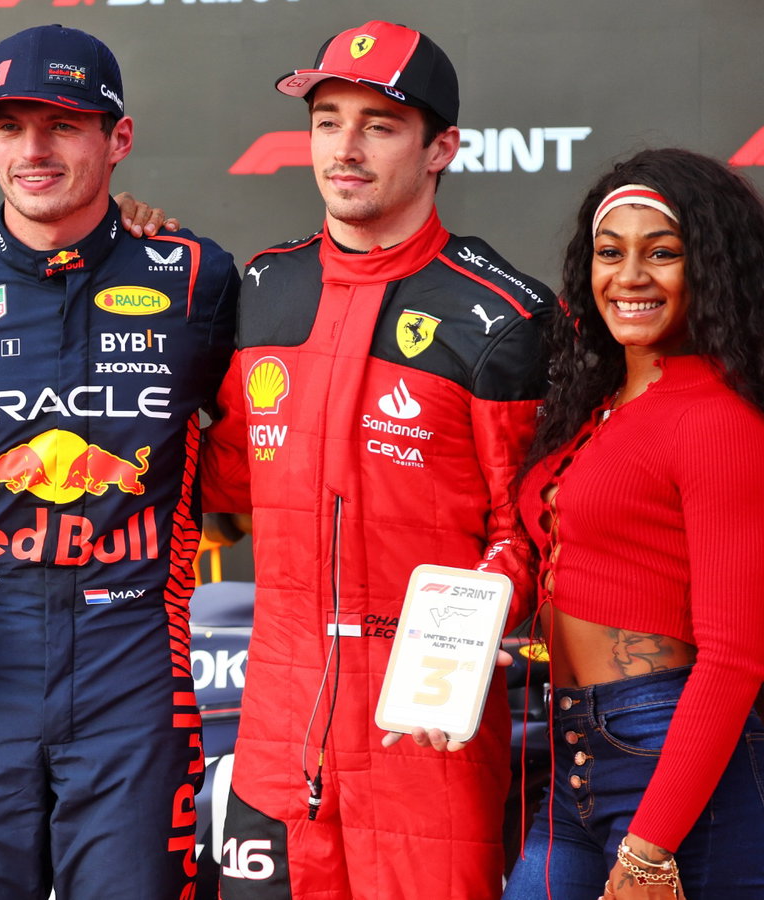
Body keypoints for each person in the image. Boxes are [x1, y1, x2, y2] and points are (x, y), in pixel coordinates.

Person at [0, 25, 238, 900]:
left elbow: (266, 440)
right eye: (9, 125)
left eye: (62, 124)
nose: (32, 149)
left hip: (135, 665)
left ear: (118, 138)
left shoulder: (196, 280)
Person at [200, 20, 553, 900]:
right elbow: (226, 480)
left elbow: (534, 529)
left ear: (442, 149)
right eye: (327, 119)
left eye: (380, 124)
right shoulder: (262, 288)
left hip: (426, 741)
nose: (345, 148)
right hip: (278, 737)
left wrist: (455, 649)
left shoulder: (505, 317)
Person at [501, 148, 764, 899]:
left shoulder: (718, 420)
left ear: (709, 270)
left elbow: (734, 658)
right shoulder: (598, 409)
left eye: (662, 253)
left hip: (680, 777)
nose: (630, 277)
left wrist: (650, 851)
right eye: (611, 254)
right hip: (578, 753)